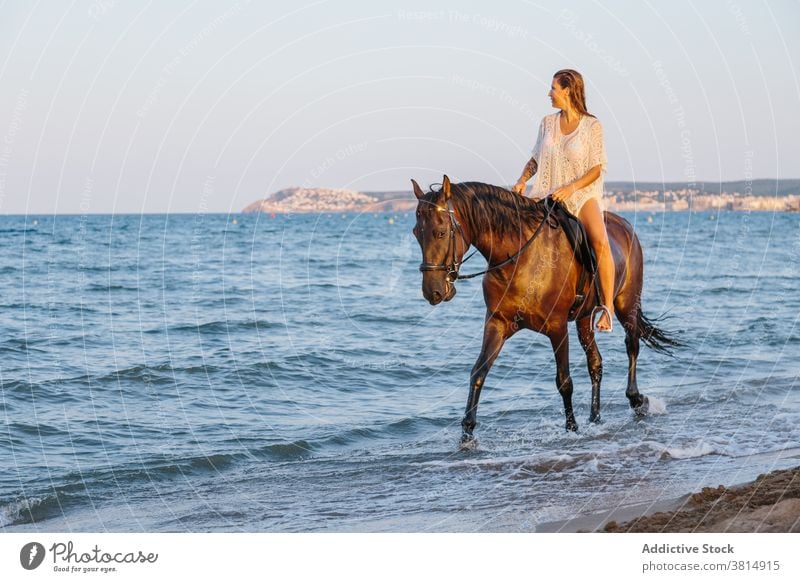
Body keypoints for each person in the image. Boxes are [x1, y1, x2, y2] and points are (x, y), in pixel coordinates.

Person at [511, 68, 615, 332]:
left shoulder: (592, 125)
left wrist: (571, 188)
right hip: (546, 193)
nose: (549, 93)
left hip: (581, 195)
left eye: (553, 88)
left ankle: (607, 308)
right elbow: (535, 158)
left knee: (600, 242)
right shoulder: (547, 122)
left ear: (567, 90)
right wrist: (523, 179)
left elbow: (596, 168)